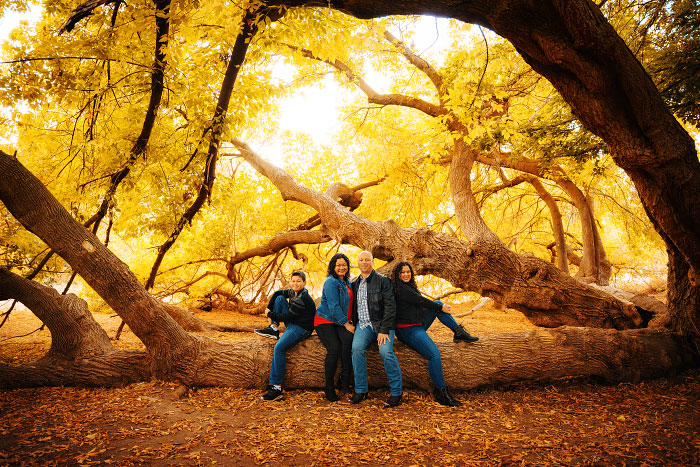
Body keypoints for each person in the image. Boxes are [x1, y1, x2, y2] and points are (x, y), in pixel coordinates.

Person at [391, 261, 478, 407]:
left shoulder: (409, 286)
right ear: (397, 274)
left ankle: (458, 332)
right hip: (407, 329)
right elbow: (420, 300)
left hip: (417, 324)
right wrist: (441, 307)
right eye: (402, 272)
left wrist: (439, 306)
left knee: (437, 303)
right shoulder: (400, 289)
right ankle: (441, 392)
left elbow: (422, 303)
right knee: (434, 354)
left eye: (408, 271)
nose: (406, 274)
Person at [349, 250, 403, 408]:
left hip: (382, 325)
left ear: (373, 262)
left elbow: (390, 306)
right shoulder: (354, 283)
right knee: (356, 349)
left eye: (367, 260)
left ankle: (396, 392)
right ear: (358, 263)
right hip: (363, 325)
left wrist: (384, 330)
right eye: (361, 260)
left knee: (385, 351)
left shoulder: (382, 280)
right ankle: (361, 390)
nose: (364, 263)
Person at [255, 271, 316, 401]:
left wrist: (270, 314)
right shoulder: (292, 292)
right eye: (293, 281)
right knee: (279, 298)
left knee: (279, 348)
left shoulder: (303, 298)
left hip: (301, 328)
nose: (295, 283)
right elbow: (277, 293)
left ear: (304, 283)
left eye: (298, 281)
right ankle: (273, 328)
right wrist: (269, 308)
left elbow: (287, 317)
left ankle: (276, 388)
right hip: (293, 322)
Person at [314, 253, 355, 401]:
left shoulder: (347, 282)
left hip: (338, 321)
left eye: (344, 265)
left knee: (348, 342)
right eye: (338, 265)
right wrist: (346, 324)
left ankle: (345, 382)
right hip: (325, 319)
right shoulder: (331, 282)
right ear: (333, 266)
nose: (341, 267)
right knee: (334, 348)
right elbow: (333, 306)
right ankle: (329, 388)